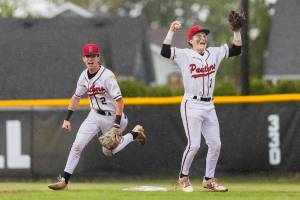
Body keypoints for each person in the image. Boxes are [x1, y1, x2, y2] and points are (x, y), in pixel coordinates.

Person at [48, 43, 146, 190]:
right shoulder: (83, 76)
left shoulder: (107, 76)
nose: (90, 59)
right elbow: (76, 98)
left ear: (98, 57)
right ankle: (64, 181)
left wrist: (117, 125)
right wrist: (67, 119)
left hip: (113, 116)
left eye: (93, 55)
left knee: (108, 152)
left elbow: (120, 101)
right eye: (87, 56)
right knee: (77, 146)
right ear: (83, 59)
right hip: (94, 115)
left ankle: (134, 134)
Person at [160, 20, 242, 192]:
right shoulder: (184, 54)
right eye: (198, 36)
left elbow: (237, 49)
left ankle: (209, 180)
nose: (203, 38)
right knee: (194, 145)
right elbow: (164, 51)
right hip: (192, 103)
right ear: (190, 40)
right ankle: (183, 177)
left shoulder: (214, 53)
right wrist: (171, 30)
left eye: (204, 36)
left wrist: (236, 31)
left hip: (209, 105)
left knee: (215, 144)